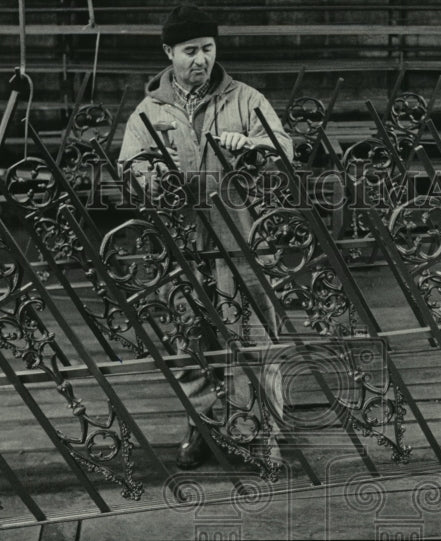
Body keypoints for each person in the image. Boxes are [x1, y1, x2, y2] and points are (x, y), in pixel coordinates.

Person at [118, 4, 292, 470]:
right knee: (187, 343)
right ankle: (206, 427)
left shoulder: (246, 100)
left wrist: (253, 148)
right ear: (168, 52)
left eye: (208, 49)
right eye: (190, 50)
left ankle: (261, 437)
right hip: (178, 242)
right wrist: (157, 175)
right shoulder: (149, 109)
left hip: (239, 237)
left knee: (254, 339)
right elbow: (129, 169)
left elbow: (284, 153)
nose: (201, 59)